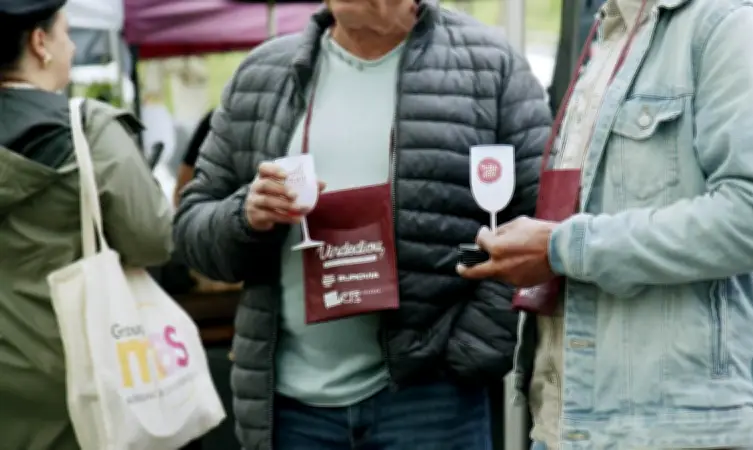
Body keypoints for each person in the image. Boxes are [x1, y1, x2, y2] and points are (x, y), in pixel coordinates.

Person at [172, 0, 551, 448]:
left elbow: (542, 219)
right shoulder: (263, 74)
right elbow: (190, 228)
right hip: (291, 412)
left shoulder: (489, 66)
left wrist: (469, 348)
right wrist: (245, 214)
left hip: (431, 399)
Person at [459, 0, 753, 448]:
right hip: (569, 424)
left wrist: (565, 247)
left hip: (684, 430)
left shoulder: (733, 18)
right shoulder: (615, 26)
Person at [0, 1, 173, 448]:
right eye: (66, 33)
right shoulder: (88, 131)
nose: (73, 47)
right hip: (77, 384)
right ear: (40, 43)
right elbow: (153, 239)